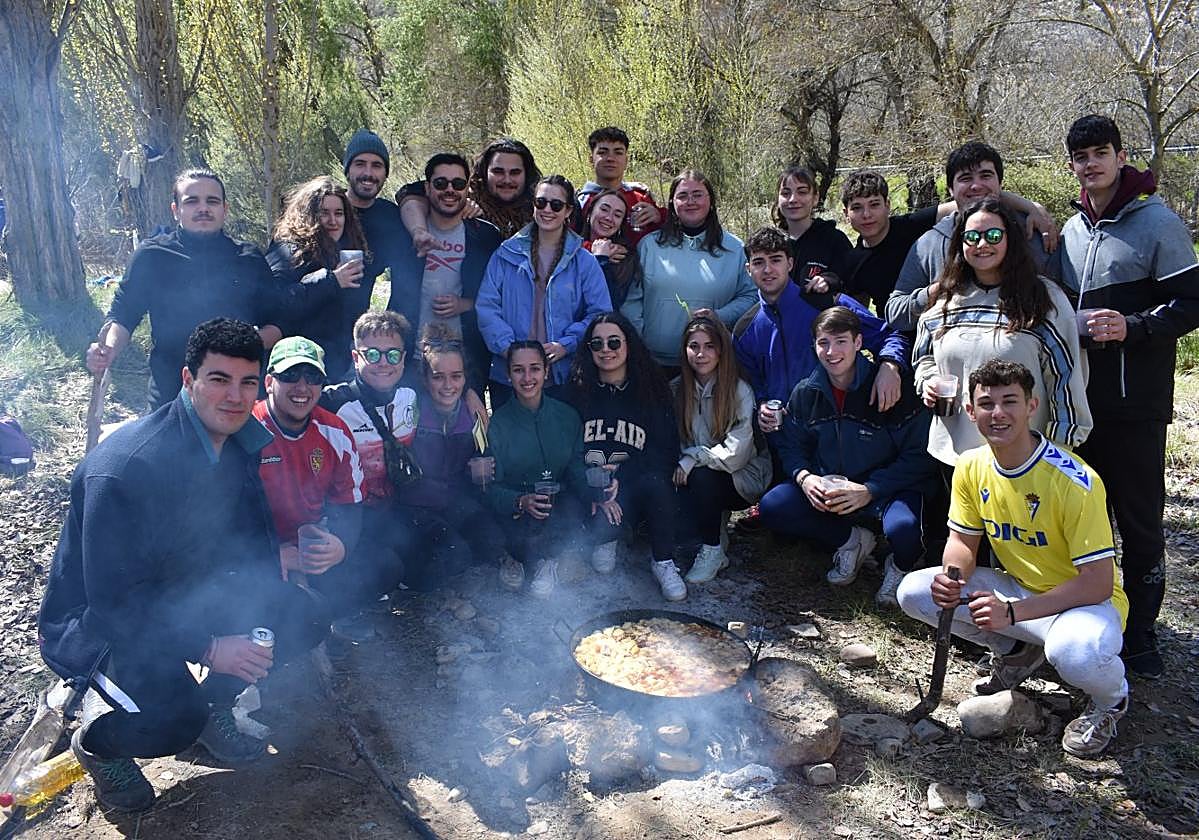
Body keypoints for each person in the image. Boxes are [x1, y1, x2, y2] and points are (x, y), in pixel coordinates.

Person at [40, 319, 329, 812]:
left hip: (187, 595)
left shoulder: (239, 445)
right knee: (173, 721)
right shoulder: (128, 468)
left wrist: (257, 611)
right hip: (101, 626)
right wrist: (211, 646)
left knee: (300, 616)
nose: (235, 397)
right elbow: (112, 603)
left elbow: (251, 544)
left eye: (247, 382)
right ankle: (98, 744)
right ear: (188, 379)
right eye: (219, 379)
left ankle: (214, 708)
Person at [897, 359, 1130, 758]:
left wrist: (1014, 612)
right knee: (916, 592)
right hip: (1020, 594)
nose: (998, 413)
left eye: (1010, 401)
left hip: (1084, 604)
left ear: (1032, 406)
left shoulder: (1077, 480)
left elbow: (1097, 582)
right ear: (971, 412)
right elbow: (962, 541)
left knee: (1076, 654)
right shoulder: (972, 464)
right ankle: (1018, 654)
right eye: (986, 404)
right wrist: (953, 576)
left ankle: (1112, 701)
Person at [1059, 114, 1199, 678]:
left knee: (1138, 522)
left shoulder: (1157, 223)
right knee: (1079, 520)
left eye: (1099, 153)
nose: (1090, 164)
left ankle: (1141, 634)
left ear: (1120, 156)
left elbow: (1191, 304)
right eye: (1080, 157)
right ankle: (1086, 618)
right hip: (1077, 406)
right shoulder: (1067, 232)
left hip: (1135, 406)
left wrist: (1133, 326)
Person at [759, 307, 938, 601]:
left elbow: (920, 455)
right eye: (823, 343)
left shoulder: (892, 388)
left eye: (841, 341)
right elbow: (792, 446)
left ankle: (899, 567)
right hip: (835, 489)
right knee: (775, 506)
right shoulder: (807, 392)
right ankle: (851, 542)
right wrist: (805, 478)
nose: (831, 352)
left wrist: (871, 489)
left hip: (887, 490)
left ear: (858, 342)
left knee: (906, 531)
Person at [912, 198, 1091, 471]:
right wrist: (928, 382)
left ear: (1011, 239)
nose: (982, 244)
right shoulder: (946, 300)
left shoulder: (1042, 299)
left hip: (1026, 460)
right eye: (971, 237)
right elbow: (924, 357)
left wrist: (1057, 453)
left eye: (993, 235)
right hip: (956, 458)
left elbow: (1066, 379)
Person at [86, 169, 282, 409]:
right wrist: (107, 350)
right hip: (171, 393)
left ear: (224, 209)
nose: (203, 208)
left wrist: (241, 344)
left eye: (212, 201)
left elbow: (276, 325)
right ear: (176, 210)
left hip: (237, 398)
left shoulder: (249, 258)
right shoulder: (152, 256)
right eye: (192, 201)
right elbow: (123, 315)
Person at [735, 227, 910, 433]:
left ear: (790, 263)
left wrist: (889, 366)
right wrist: (762, 404)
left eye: (775, 260)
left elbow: (889, 335)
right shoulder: (744, 330)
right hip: (784, 438)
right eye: (758, 262)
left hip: (841, 428)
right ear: (748, 269)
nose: (767, 270)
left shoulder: (828, 304)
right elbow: (751, 384)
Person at [565, 312, 688, 601]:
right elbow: (566, 453)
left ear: (629, 345)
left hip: (634, 483)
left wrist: (623, 477)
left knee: (658, 484)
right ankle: (609, 537)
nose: (606, 350)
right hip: (591, 488)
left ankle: (663, 560)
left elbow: (665, 450)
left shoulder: (651, 390)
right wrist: (593, 490)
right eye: (597, 344)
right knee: (600, 557)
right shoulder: (575, 392)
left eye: (614, 342)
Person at [251, 336, 367, 632]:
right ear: (268, 382)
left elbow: (350, 505)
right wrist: (273, 555)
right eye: (289, 375)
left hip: (310, 547)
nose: (302, 387)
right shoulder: (247, 430)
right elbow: (221, 518)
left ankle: (325, 619)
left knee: (385, 565)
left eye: (313, 377)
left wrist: (340, 545)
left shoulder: (334, 430)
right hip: (254, 553)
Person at [886, 141, 1062, 332]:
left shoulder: (1032, 233)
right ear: (951, 189)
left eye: (985, 175)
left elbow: (1062, 304)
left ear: (1000, 183)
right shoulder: (929, 244)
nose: (976, 185)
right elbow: (895, 314)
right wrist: (937, 291)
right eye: (965, 178)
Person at [319, 311, 419, 627]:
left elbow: (451, 377)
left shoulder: (411, 394)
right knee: (388, 567)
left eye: (392, 354)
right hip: (347, 515)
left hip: (392, 508)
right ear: (356, 356)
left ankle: (381, 584)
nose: (383, 363)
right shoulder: (333, 402)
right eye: (372, 354)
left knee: (447, 555)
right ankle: (333, 615)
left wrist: (472, 396)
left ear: (404, 359)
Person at [476, 175, 611, 403]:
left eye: (556, 205)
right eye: (541, 202)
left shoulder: (584, 261)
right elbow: (486, 307)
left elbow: (600, 315)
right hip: (509, 375)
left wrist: (566, 345)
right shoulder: (506, 253)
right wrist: (510, 351)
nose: (547, 209)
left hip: (562, 375)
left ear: (568, 211)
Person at [400, 324, 511, 589]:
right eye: (438, 377)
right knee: (455, 554)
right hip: (417, 507)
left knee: (494, 541)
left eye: (456, 377)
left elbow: (482, 461)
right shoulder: (409, 413)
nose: (448, 385)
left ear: (465, 379)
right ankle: (411, 581)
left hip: (454, 500)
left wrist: (478, 470)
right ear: (425, 379)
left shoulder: (472, 416)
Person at [387, 153, 503, 388]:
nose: (450, 190)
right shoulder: (404, 232)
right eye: (441, 183)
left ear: (467, 189)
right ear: (427, 188)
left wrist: (465, 304)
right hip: (409, 360)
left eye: (458, 184)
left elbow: (503, 297)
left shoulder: (486, 237)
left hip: (464, 364)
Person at [485, 341, 591, 596]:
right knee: (505, 530)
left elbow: (577, 468)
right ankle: (516, 558)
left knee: (577, 511)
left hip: (557, 502)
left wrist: (597, 492)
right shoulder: (497, 424)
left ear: (546, 371)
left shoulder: (567, 416)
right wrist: (519, 501)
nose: (527, 377)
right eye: (518, 370)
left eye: (534, 368)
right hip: (517, 508)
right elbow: (490, 488)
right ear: (508, 375)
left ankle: (548, 563)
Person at [672, 315, 772, 583]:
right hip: (699, 472)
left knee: (702, 477)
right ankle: (715, 529)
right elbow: (676, 441)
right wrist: (686, 459)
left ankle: (713, 551)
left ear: (721, 351)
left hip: (744, 475)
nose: (701, 354)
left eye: (709, 346)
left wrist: (693, 457)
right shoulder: (677, 391)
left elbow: (737, 453)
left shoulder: (739, 390)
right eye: (694, 346)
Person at [624, 170, 757, 370]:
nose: (690, 201)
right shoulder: (649, 246)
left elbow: (750, 296)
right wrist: (639, 340)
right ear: (672, 203)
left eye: (697, 195)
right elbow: (632, 300)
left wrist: (719, 316)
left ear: (711, 201)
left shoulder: (734, 248)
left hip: (711, 362)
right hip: (653, 362)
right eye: (683, 196)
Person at [266, 177, 369, 380]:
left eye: (338, 213)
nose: (333, 221)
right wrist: (331, 281)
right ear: (308, 216)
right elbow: (274, 302)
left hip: (335, 366)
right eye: (324, 213)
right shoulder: (289, 250)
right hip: (297, 368)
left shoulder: (339, 252)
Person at [839, 170, 958, 316]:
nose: (867, 214)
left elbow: (962, 205)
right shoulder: (853, 261)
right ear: (846, 213)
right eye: (857, 208)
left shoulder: (911, 225)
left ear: (887, 205)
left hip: (936, 319)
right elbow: (859, 314)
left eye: (874, 205)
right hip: (895, 333)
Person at [399, 137, 543, 248]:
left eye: (515, 173)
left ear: (526, 174)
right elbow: (409, 193)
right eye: (498, 171)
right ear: (484, 172)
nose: (507, 180)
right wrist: (419, 230)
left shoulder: (542, 206)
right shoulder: (461, 193)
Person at [342, 129, 404, 349]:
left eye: (377, 165)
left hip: (358, 339)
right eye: (360, 164)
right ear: (347, 170)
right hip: (311, 330)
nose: (368, 173)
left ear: (385, 174)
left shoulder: (391, 217)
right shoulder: (327, 208)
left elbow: (406, 280)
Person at [574, 126, 664, 246]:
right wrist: (593, 251)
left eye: (618, 152)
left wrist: (660, 217)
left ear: (626, 160)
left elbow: (673, 234)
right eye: (603, 152)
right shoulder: (579, 203)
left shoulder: (641, 198)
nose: (610, 158)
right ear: (591, 160)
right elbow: (563, 244)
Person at [773, 166, 851, 294]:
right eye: (786, 193)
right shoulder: (771, 242)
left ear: (815, 198)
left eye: (802, 192)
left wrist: (828, 282)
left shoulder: (835, 240)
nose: (793, 199)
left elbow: (851, 288)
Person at [579, 187, 643, 311]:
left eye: (617, 215)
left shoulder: (624, 258)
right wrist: (590, 249)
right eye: (604, 209)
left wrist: (601, 260)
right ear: (590, 212)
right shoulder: (569, 247)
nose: (609, 218)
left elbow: (610, 302)